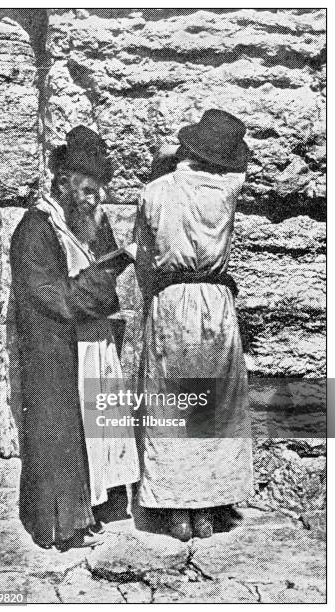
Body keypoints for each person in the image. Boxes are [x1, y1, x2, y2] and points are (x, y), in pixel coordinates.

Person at [10, 125, 139, 550]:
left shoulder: (89, 223)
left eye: (99, 190)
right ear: (63, 182)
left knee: (101, 431)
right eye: (87, 190)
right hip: (61, 351)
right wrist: (101, 286)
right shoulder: (35, 229)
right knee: (68, 432)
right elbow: (54, 298)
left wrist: (104, 274)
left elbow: (103, 269)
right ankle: (64, 524)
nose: (95, 199)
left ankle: (102, 506)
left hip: (94, 344)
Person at [134, 109, 253, 541]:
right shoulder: (227, 191)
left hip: (171, 300)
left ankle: (176, 512)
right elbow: (240, 166)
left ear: (188, 149)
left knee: (171, 404)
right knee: (214, 404)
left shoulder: (153, 192)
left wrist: (156, 299)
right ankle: (207, 510)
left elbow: (144, 260)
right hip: (216, 302)